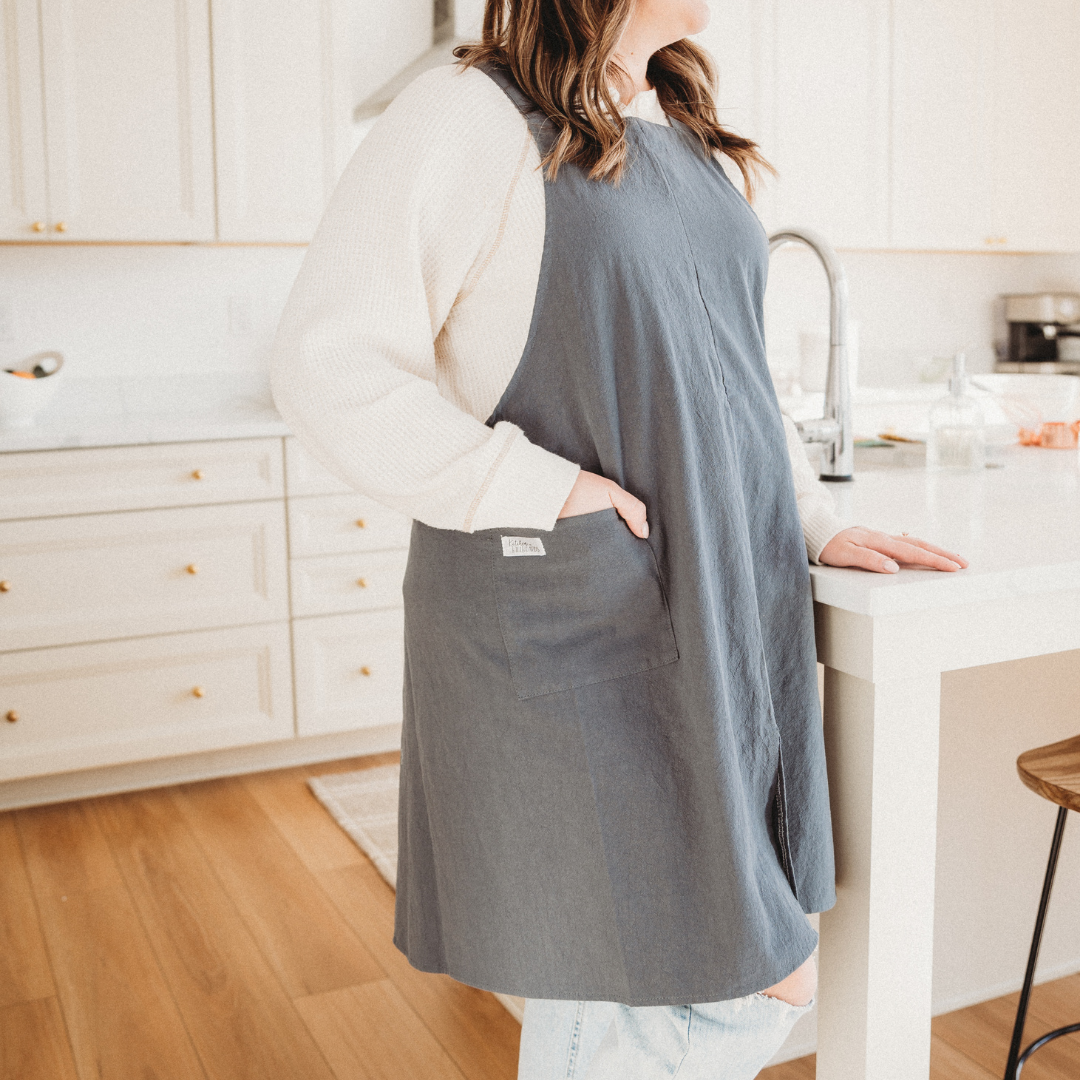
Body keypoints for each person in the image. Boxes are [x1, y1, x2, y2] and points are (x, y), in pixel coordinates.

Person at [271, 1, 968, 1075]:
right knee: (663, 971)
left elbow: (729, 368)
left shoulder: (678, 124)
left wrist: (813, 522)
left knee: (726, 968)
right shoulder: (467, 115)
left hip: (718, 590)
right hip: (584, 610)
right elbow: (328, 365)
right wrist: (534, 489)